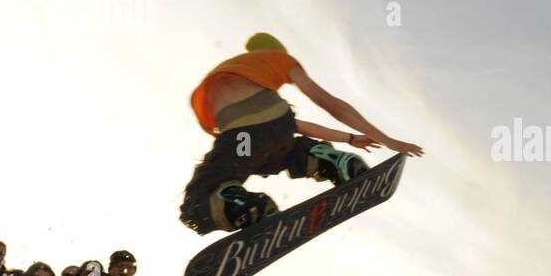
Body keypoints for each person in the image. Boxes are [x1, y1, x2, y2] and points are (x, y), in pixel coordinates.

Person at [179, 32, 423, 235]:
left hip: (243, 138)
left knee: (203, 193)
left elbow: (248, 135)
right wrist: (376, 139)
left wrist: (354, 138)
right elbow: (326, 105)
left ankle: (240, 206)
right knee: (285, 150)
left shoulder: (213, 84)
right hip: (279, 124)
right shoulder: (279, 60)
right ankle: (329, 161)